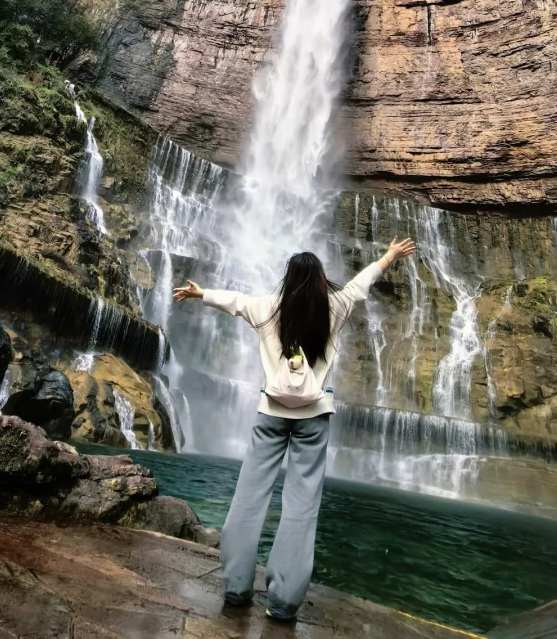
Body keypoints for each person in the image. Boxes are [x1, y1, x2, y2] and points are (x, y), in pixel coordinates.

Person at [173, 234, 416, 622]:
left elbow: (235, 302)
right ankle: (283, 603)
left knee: (249, 499)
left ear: (287, 280)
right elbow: (359, 285)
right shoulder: (334, 307)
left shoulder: (268, 308)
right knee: (301, 508)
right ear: (321, 281)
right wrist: (388, 256)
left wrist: (202, 294)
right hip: (314, 418)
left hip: (270, 414)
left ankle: (236, 588)